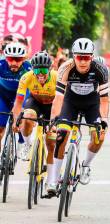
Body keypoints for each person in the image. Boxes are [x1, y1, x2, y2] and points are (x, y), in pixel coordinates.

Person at [47, 38, 109, 195]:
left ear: (92, 57)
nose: (82, 61)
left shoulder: (101, 69)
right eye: (79, 57)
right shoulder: (65, 68)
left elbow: (104, 100)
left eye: (86, 57)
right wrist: (55, 118)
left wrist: (104, 120)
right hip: (71, 102)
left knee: (98, 136)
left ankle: (86, 165)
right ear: (73, 56)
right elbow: (59, 98)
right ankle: (53, 180)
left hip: (91, 104)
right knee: (61, 135)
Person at [11, 52, 56, 187]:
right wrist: (15, 121)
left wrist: (56, 121)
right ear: (32, 70)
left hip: (52, 106)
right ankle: (27, 144)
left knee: (51, 143)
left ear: (50, 69)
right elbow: (18, 103)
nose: (40, 74)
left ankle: (51, 179)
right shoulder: (26, 77)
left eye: (43, 70)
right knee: (27, 117)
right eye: (37, 70)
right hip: (35, 102)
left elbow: (63, 102)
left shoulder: (57, 77)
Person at [0, 42, 31, 153]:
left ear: (23, 59)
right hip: (3, 97)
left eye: (18, 60)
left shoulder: (29, 67)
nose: (14, 63)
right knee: (0, 128)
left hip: (22, 96)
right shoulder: (1, 64)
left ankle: (23, 142)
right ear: (5, 57)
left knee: (21, 120)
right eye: (10, 59)